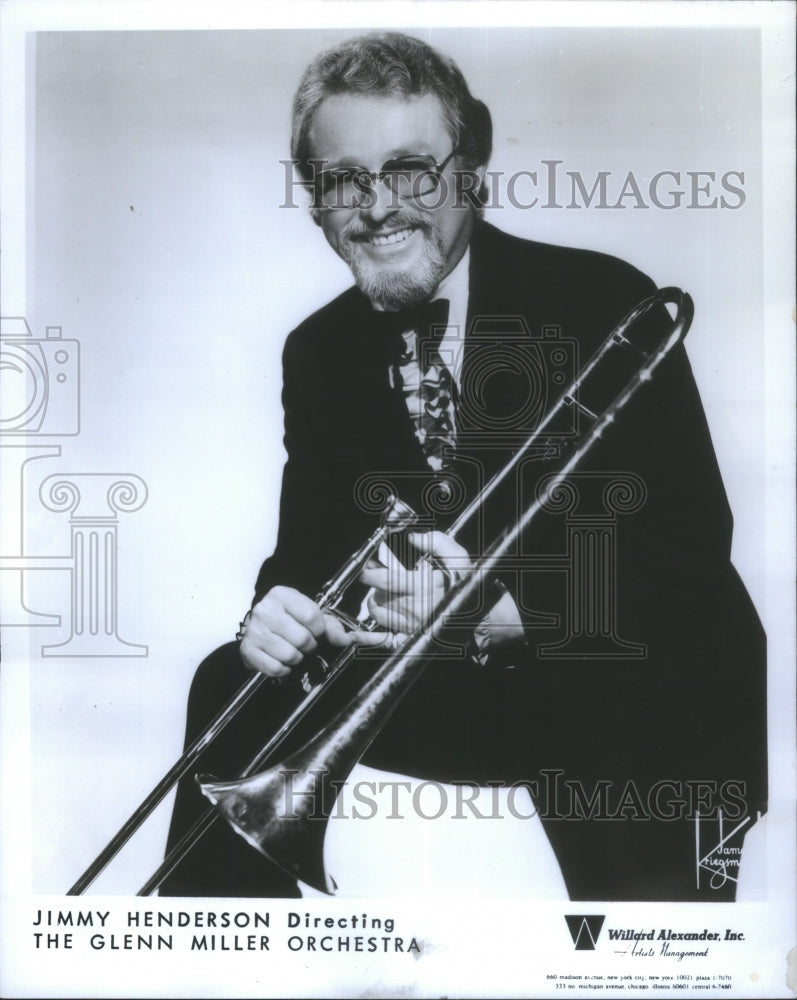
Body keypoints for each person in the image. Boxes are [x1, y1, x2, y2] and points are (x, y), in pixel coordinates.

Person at [161, 32, 766, 900]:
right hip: (458, 691)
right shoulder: (320, 349)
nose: (377, 207)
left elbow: (688, 550)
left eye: (409, 171)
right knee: (232, 684)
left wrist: (499, 610)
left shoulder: (603, 301)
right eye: (342, 181)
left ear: (469, 162)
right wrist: (279, 613)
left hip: (623, 677)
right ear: (314, 199)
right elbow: (309, 548)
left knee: (643, 953)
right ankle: (218, 959)